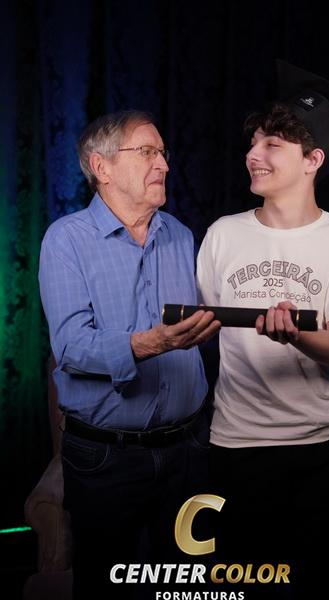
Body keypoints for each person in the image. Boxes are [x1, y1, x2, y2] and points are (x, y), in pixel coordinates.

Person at [196, 61, 329, 599]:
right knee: (240, 586)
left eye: (272, 144)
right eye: (253, 142)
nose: (253, 154)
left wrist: (295, 333)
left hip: (319, 452)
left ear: (312, 161)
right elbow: (205, 327)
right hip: (235, 448)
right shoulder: (222, 235)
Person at [38, 110, 221, 599]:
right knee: (105, 589)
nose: (164, 164)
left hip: (189, 451)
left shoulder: (180, 235)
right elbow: (71, 348)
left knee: (186, 587)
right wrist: (153, 342)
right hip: (105, 459)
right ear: (102, 167)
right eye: (147, 152)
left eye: (163, 152)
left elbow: (196, 328)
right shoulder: (66, 240)